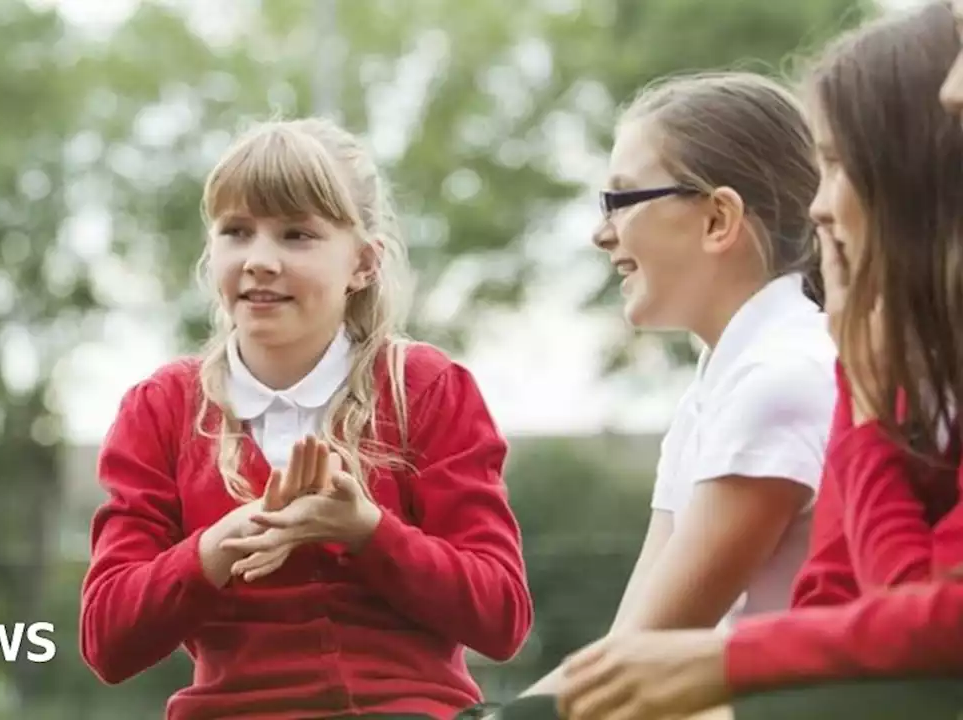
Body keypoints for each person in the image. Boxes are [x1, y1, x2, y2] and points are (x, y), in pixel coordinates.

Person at [552, 4, 963, 719]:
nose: (820, 206)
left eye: (837, 165)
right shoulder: (778, 372)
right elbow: (839, 599)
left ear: (718, 219)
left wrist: (731, 665)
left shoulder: (785, 373)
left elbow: (927, 625)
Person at [79, 116, 533, 719]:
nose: (260, 260)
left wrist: (367, 532)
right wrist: (218, 545)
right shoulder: (162, 409)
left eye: (297, 235)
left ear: (363, 264)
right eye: (237, 231)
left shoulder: (426, 390)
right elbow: (107, 640)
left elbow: (502, 618)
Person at [514, 70, 836, 703]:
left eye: (621, 201)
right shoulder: (717, 387)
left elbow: (643, 652)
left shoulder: (781, 379)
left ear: (719, 218)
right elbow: (625, 645)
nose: (601, 233)